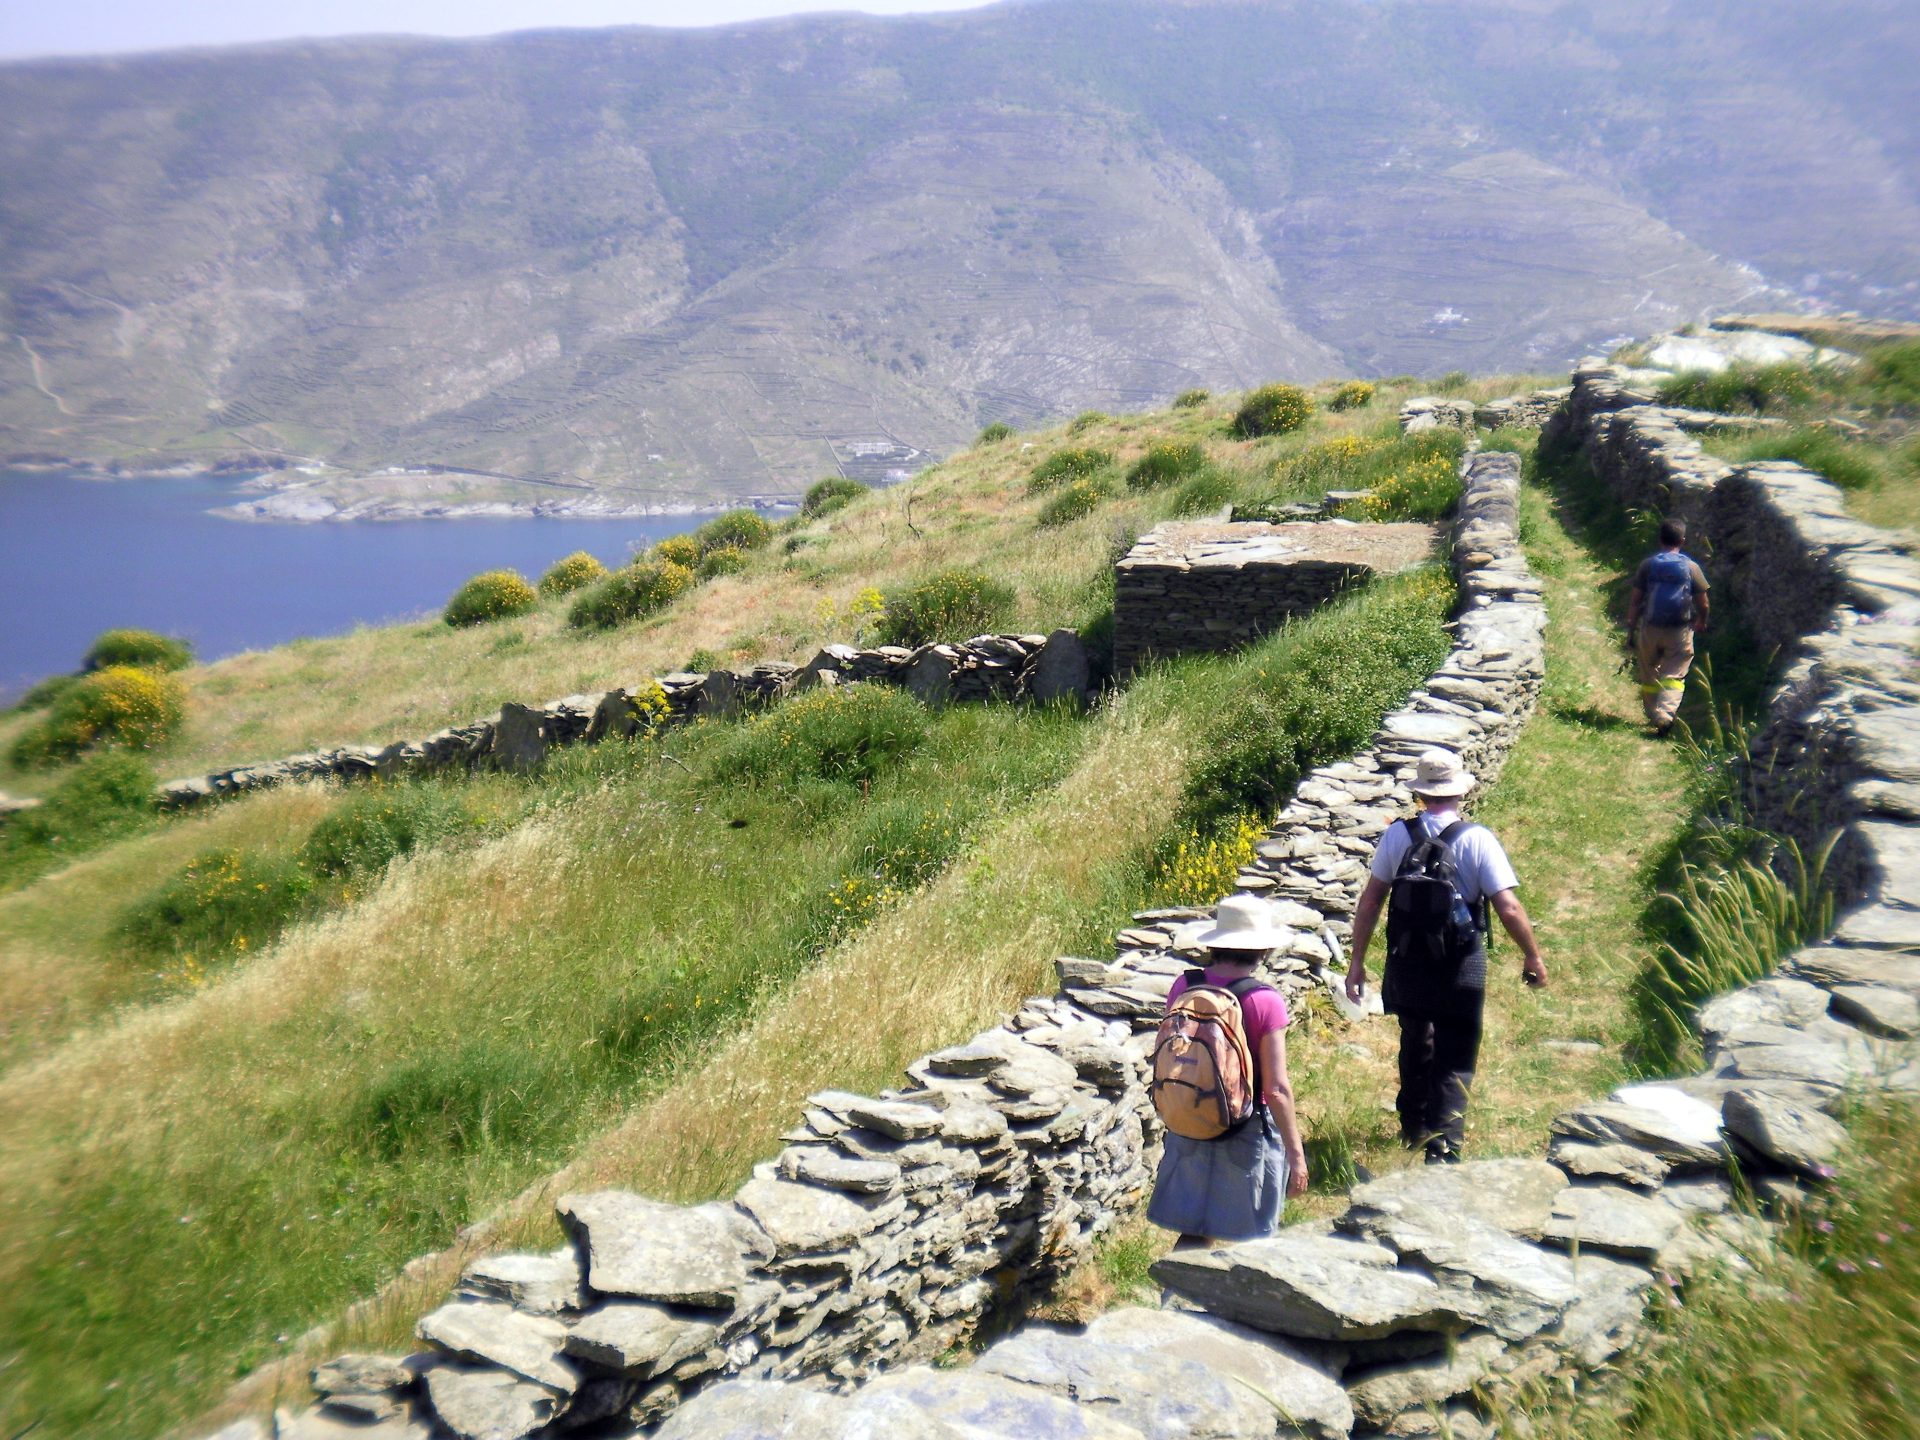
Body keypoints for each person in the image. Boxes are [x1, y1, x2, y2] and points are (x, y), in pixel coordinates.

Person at [1343, 749, 1547, 1164]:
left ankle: (1413, 1125)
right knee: (1457, 1049)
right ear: (1460, 793)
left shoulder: (1398, 835)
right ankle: (1445, 1145)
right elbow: (1507, 906)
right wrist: (1532, 956)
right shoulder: (1477, 839)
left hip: (1407, 958)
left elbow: (1371, 901)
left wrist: (1357, 962)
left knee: (1415, 1038)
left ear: (1420, 794)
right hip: (1461, 963)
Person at [1147, 894, 1310, 1246]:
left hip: (1190, 1116)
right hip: (1244, 1126)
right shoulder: (1266, 1001)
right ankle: (1239, 1299)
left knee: (1195, 1230)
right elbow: (1277, 1088)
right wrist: (1297, 1157)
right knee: (1252, 1235)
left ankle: (1172, 1299)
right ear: (1262, 948)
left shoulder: (1185, 986)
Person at [1626, 517, 1710, 735]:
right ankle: (1665, 713)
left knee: (1649, 673)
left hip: (1650, 627)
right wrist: (1701, 620)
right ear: (1682, 540)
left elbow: (1636, 600)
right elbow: (1703, 602)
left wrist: (1631, 628)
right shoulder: (1691, 567)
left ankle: (1653, 713)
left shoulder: (1648, 565)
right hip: (1680, 630)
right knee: (1674, 675)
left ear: (1659, 539)